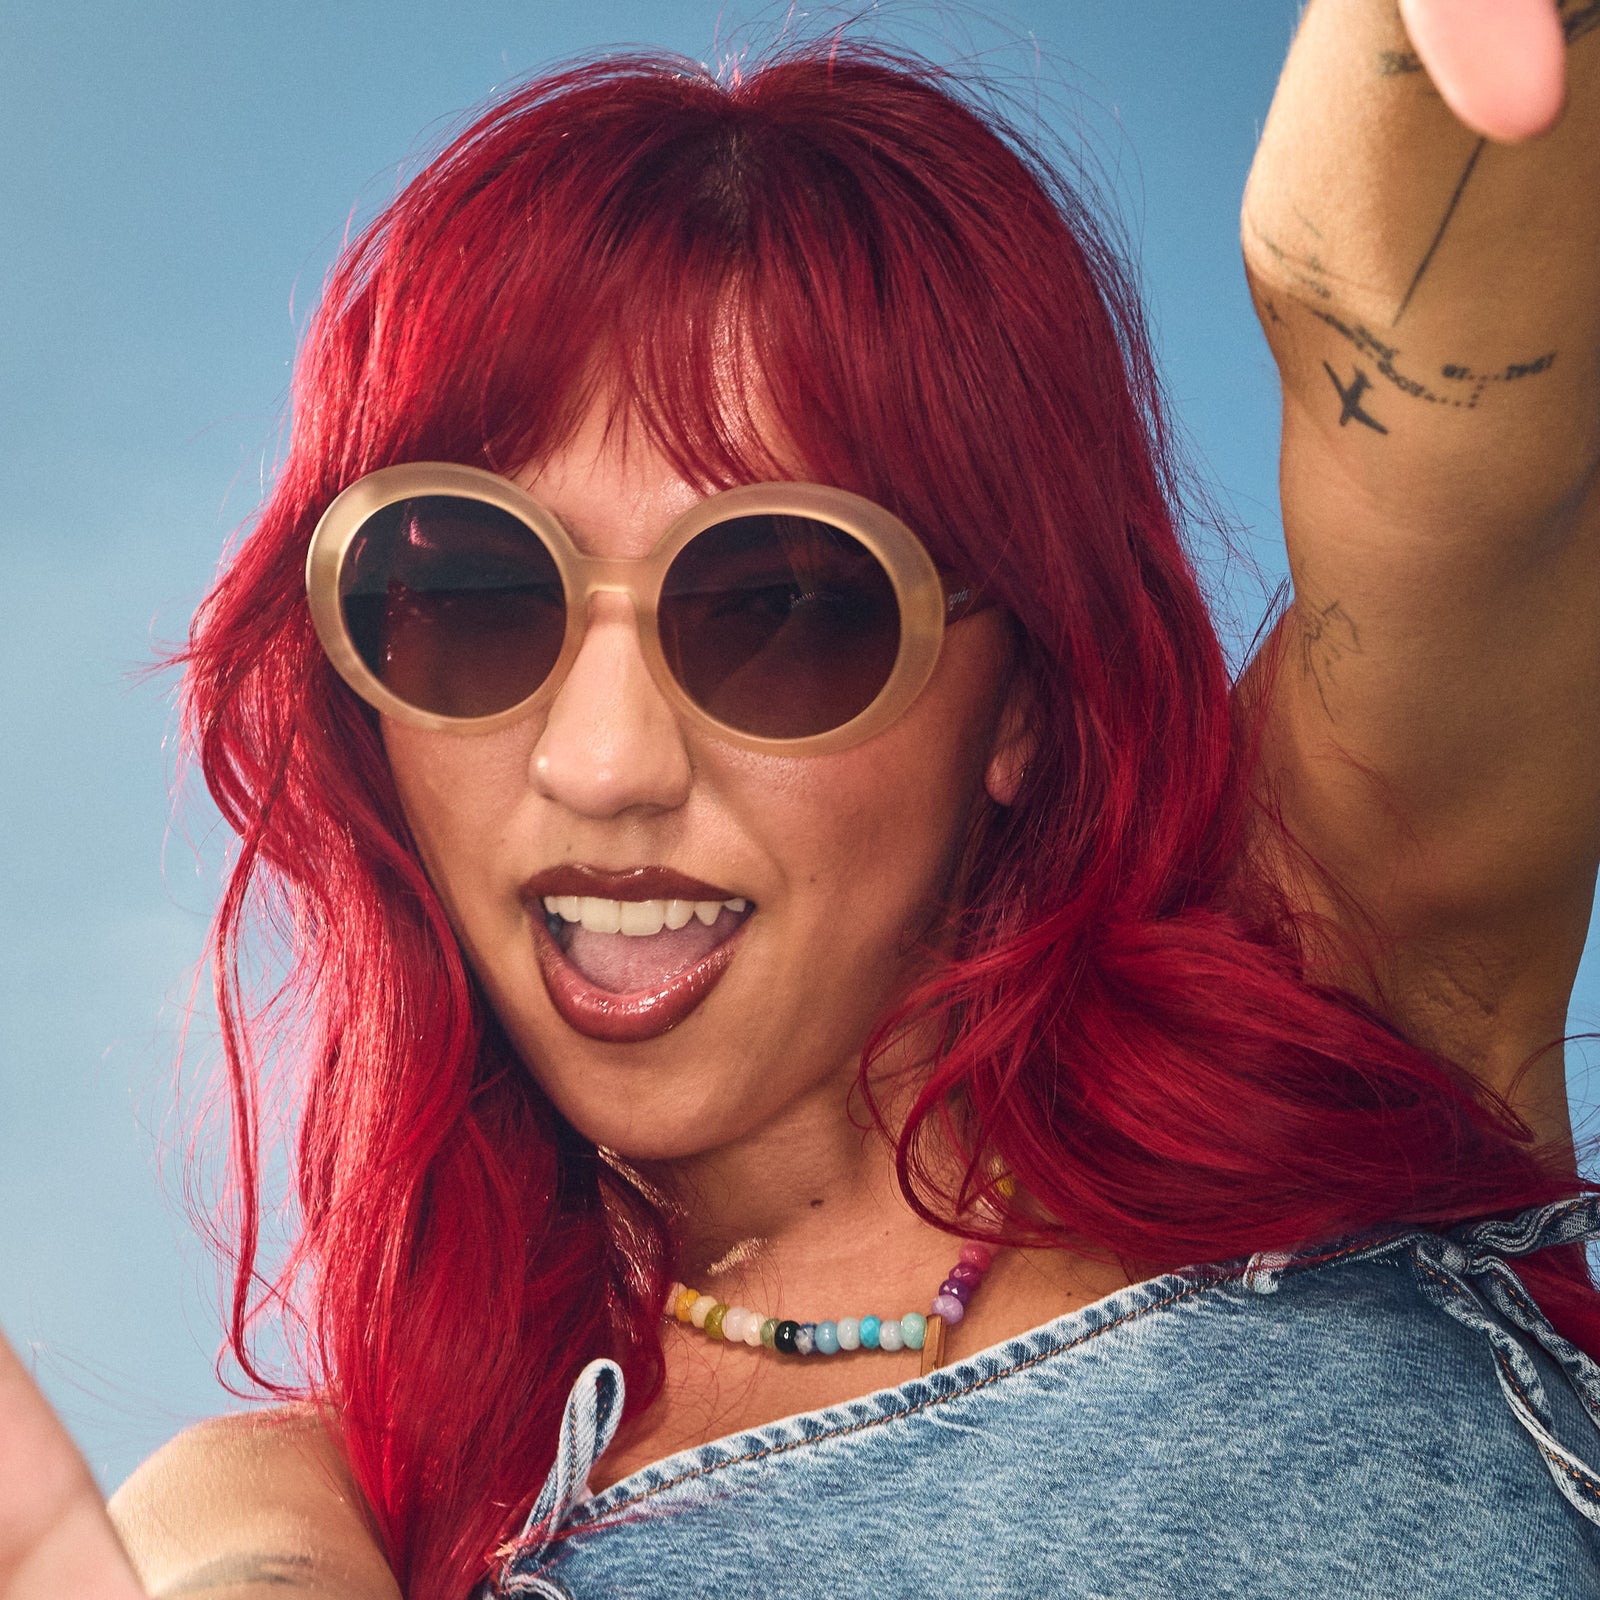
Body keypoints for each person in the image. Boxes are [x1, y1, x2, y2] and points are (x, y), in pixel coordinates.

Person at [4, 1, 1599, 1596]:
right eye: (479, 595)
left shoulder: (1334, 985)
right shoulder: (368, 1506)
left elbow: (1423, 383)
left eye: (783, 610)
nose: (604, 764)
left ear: (1023, 701)